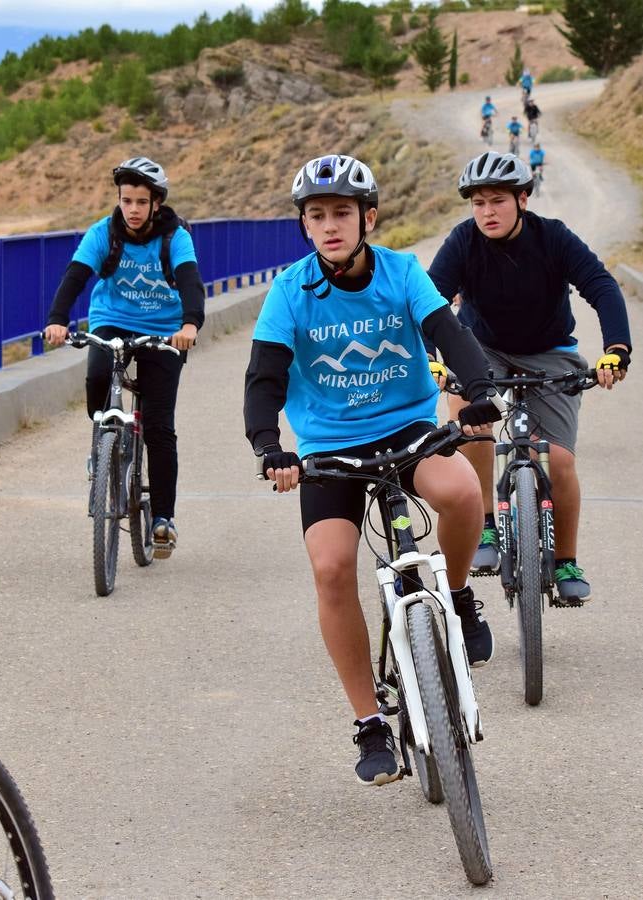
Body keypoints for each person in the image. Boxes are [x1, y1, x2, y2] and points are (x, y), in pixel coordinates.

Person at [243, 154, 504, 787]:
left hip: (409, 426)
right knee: (331, 567)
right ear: (304, 225)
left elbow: (448, 332)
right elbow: (265, 377)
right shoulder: (290, 290)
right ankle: (369, 723)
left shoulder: (403, 271)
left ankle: (460, 597)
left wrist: (476, 392)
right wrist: (267, 446)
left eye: (340, 213)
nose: (329, 226)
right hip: (330, 447)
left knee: (464, 492)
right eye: (316, 216)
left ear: (369, 217)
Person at [427, 152, 632, 604]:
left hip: (549, 352)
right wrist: (432, 359)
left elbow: (600, 285)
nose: (487, 213)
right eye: (478, 203)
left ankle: (565, 560)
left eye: (497, 201)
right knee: (472, 422)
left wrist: (617, 349)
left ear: (523, 198)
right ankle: (484, 526)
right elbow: (428, 303)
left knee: (558, 461)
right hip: (481, 348)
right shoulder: (463, 241)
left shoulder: (553, 237)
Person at [43, 156, 205, 558]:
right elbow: (76, 276)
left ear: (156, 203)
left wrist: (189, 325)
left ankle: (163, 518)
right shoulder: (105, 232)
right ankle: (103, 443)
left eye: (140, 201)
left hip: (164, 328)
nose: (131, 209)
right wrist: (57, 320)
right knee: (97, 378)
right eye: (125, 200)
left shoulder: (175, 237)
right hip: (112, 320)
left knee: (159, 426)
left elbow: (190, 282)